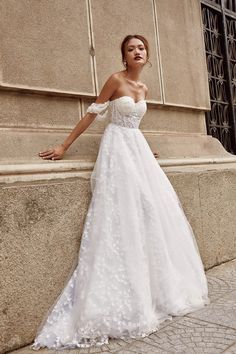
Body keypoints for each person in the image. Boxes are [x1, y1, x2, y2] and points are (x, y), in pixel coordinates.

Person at [31, 34, 210, 350]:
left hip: (135, 148)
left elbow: (135, 125)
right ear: (124, 57)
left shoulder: (144, 89)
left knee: (150, 211)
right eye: (131, 49)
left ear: (147, 55)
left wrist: (145, 149)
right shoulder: (115, 80)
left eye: (141, 48)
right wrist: (64, 145)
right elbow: (93, 113)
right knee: (120, 211)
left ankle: (152, 286)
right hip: (116, 149)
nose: (137, 52)